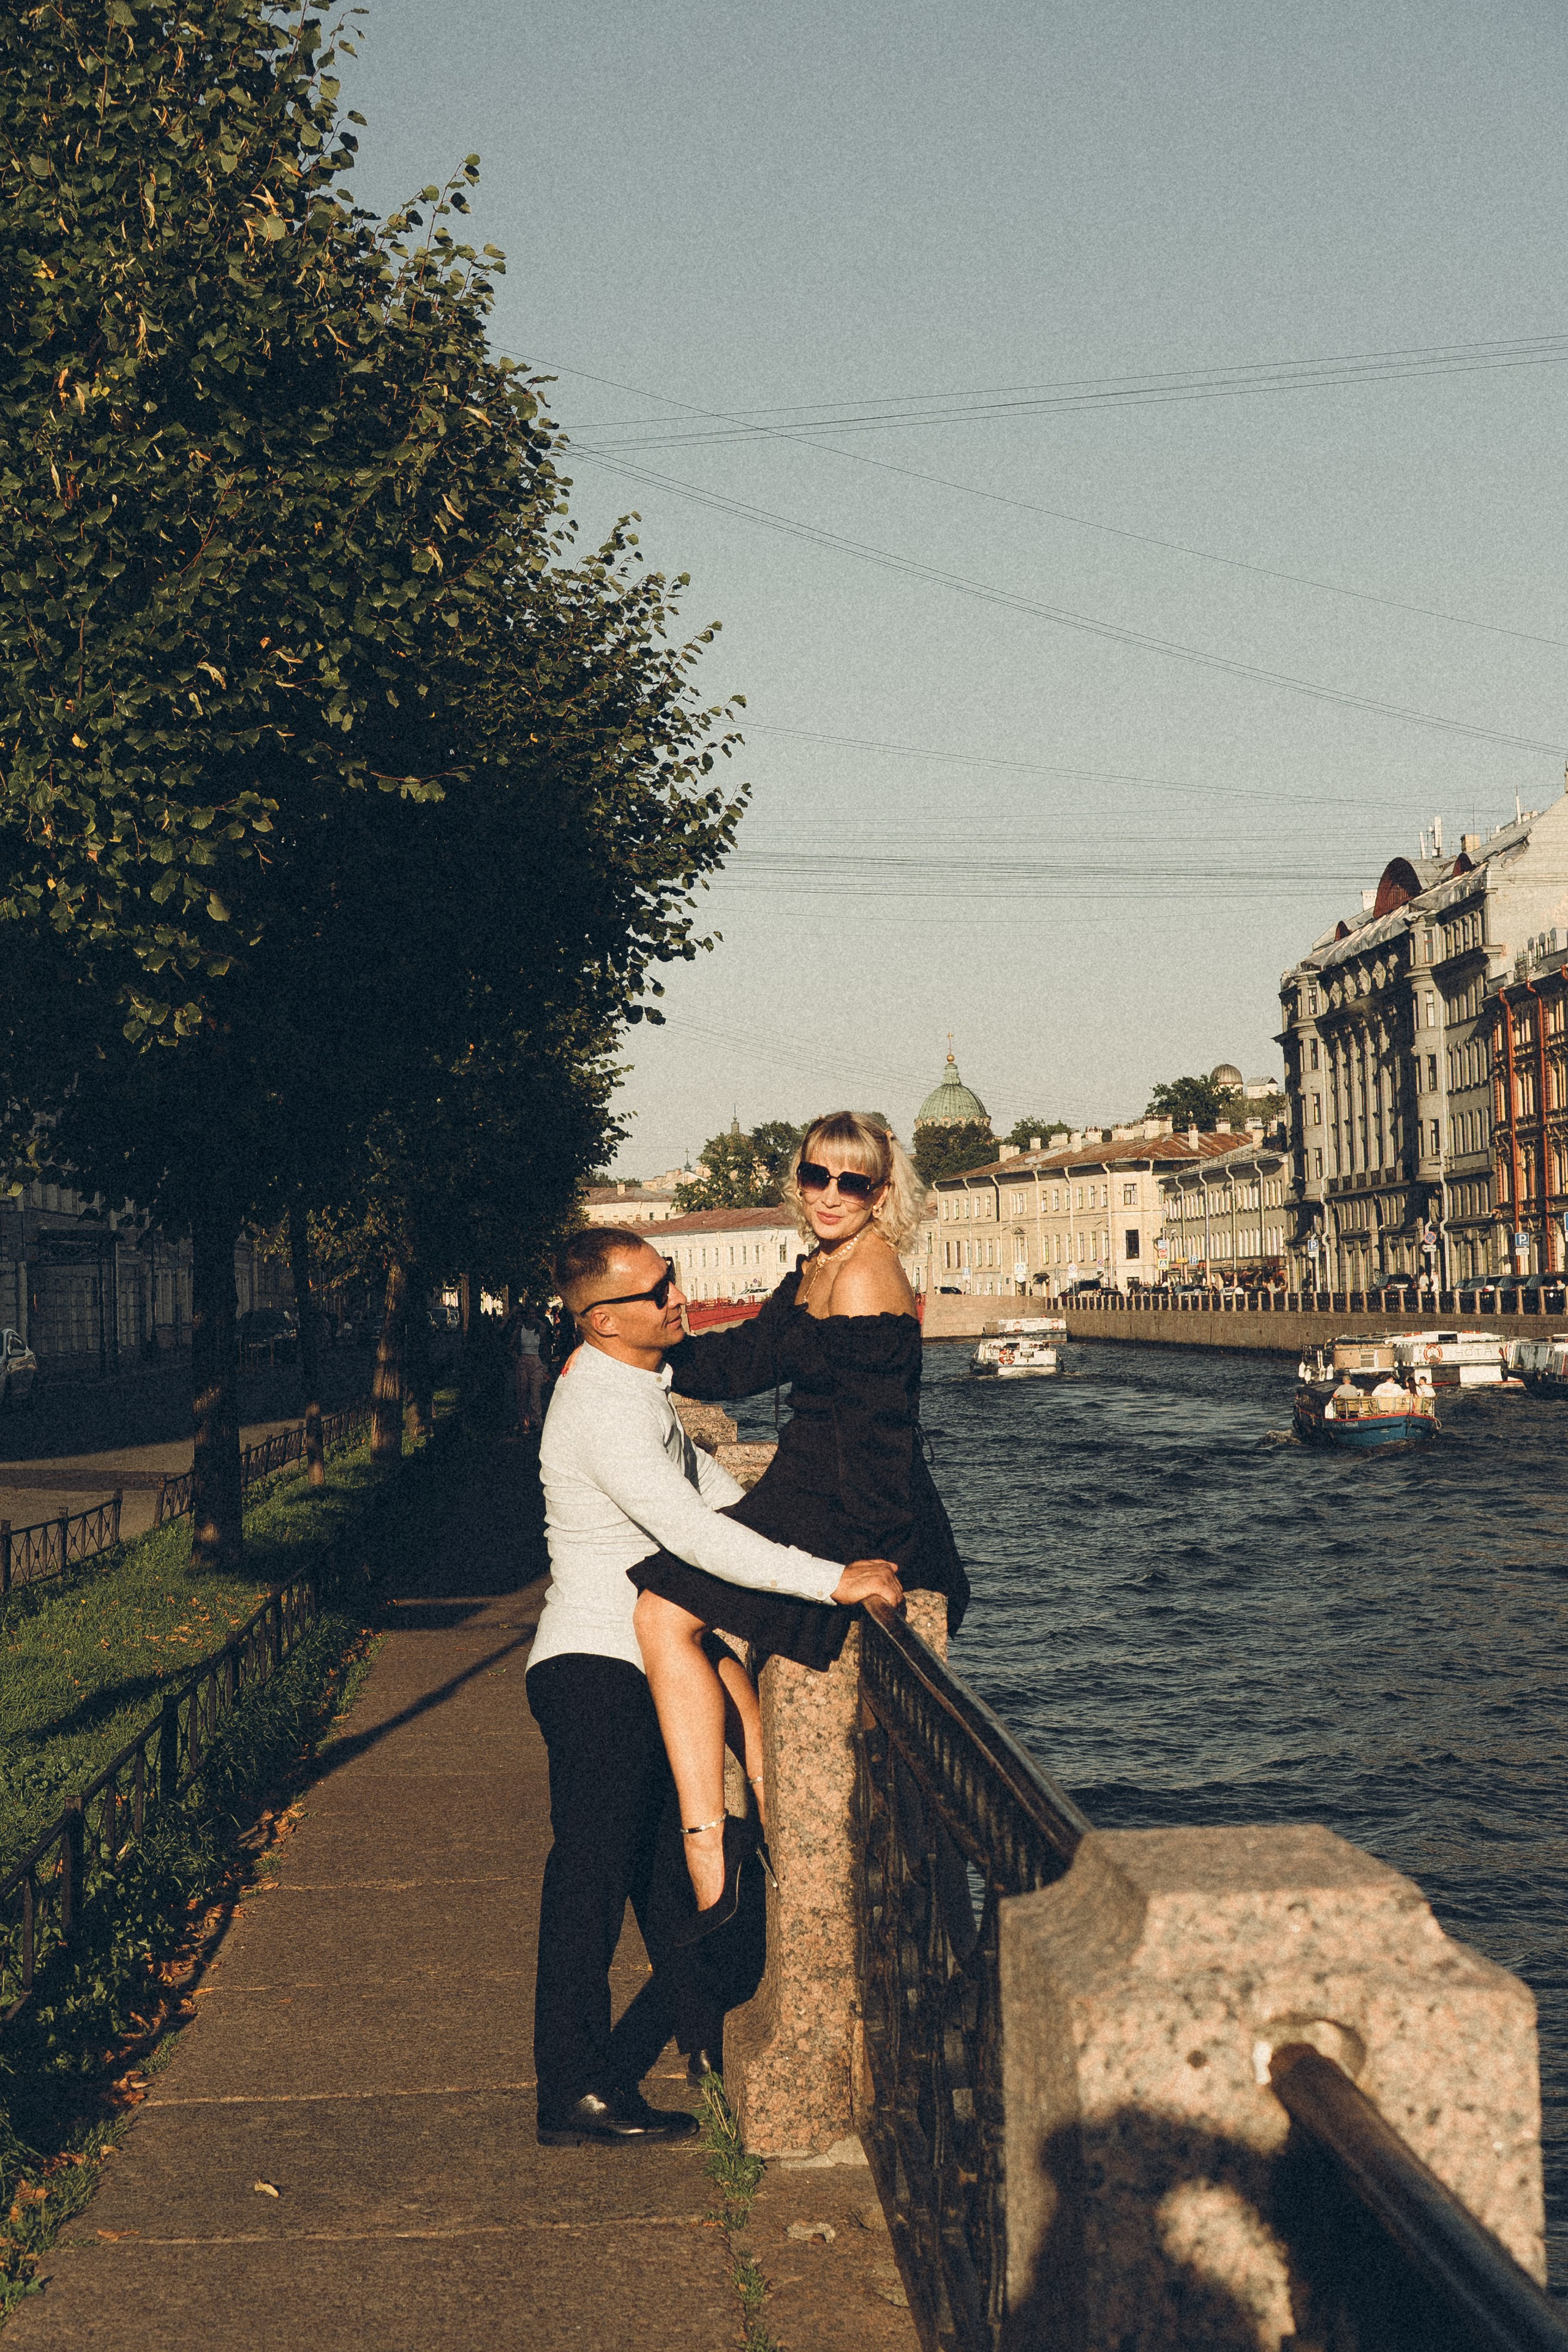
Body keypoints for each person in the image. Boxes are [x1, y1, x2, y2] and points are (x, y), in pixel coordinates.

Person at [528, 1223, 904, 2148]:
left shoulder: (631, 1387)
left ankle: (701, 2037)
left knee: (663, 1873)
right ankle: (571, 2088)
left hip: (630, 1665)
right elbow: (695, 1539)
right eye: (658, 1291)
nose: (678, 1298)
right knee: (590, 1878)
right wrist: (829, 1582)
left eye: (673, 1278)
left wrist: (842, 1524)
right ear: (605, 1321)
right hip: (598, 1668)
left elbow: (725, 1503)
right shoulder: (605, 1410)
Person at [630, 1112, 968, 1934]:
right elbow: (746, 1362)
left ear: (881, 1195)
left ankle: (717, 1852)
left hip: (854, 1508)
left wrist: (864, 1562)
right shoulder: (818, 1264)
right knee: (678, 1613)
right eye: (818, 1176)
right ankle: (752, 1826)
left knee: (665, 1611)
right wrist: (643, 1350)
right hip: (806, 1488)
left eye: (853, 1183)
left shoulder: (866, 1276)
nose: (830, 1195)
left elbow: (880, 1437)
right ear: (799, 1177)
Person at [503, 1294, 546, 1433]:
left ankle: (537, 1422)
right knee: (522, 1393)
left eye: (534, 1314)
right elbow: (510, 1346)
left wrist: (536, 1319)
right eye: (530, 1314)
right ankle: (524, 1423)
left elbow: (544, 1328)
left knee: (535, 1394)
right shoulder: (520, 1329)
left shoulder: (539, 1330)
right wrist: (516, 1356)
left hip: (535, 1360)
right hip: (523, 1360)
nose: (532, 1316)